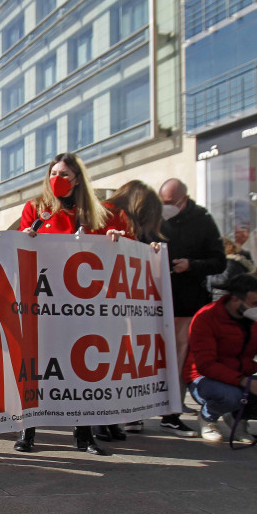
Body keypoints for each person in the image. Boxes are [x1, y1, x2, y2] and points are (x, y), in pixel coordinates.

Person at [15, 152, 129, 455]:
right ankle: (29, 431)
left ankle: (84, 435)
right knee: (40, 368)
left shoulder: (104, 215)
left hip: (84, 310)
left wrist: (118, 240)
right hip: (45, 306)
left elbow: (128, 251)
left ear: (78, 178)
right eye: (54, 172)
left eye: (64, 174)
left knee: (83, 367)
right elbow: (18, 251)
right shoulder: (36, 210)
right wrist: (26, 238)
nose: (58, 179)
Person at [158, 178, 225, 437]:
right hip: (156, 301)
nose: (166, 207)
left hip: (187, 303)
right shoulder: (156, 219)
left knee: (180, 356)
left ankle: (172, 413)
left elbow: (219, 261)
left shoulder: (203, 220)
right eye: (162, 202)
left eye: (171, 203)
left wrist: (192, 265)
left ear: (183, 200)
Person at [98, 179, 164, 437]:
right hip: (106, 302)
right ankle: (103, 419)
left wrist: (150, 251)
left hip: (112, 303)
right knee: (107, 361)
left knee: (110, 360)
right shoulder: (107, 215)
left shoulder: (111, 215)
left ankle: (109, 418)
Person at [185, 274, 257, 442]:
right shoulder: (207, 317)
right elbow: (206, 364)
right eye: (255, 303)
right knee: (230, 395)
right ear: (235, 300)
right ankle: (208, 418)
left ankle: (237, 416)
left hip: (240, 377)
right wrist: (245, 382)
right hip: (204, 379)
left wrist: (245, 381)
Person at [207, 237, 257, 302]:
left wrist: (206, 278)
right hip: (228, 296)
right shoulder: (237, 260)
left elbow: (223, 280)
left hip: (223, 297)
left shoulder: (231, 261)